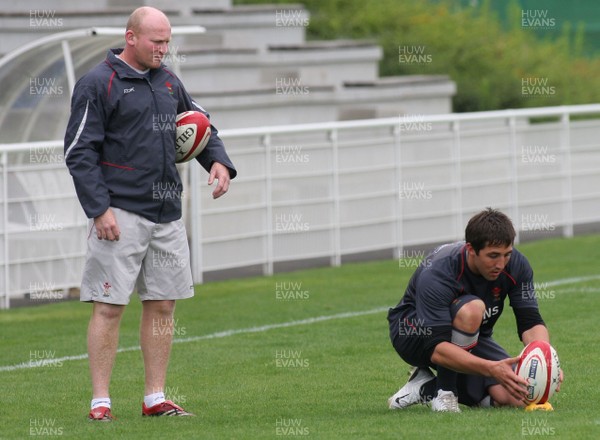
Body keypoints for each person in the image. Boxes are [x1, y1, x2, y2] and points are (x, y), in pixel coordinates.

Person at [64, 6, 236, 420]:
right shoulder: (97, 83)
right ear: (131, 37)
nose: (164, 48)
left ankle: (155, 397)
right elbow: (78, 151)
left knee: (162, 305)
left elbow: (198, 122)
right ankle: (101, 402)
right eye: (156, 41)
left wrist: (218, 161)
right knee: (109, 306)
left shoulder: (168, 80)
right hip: (119, 214)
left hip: (167, 213)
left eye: (167, 41)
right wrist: (99, 208)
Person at [387, 208, 563, 412]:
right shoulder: (439, 271)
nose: (501, 264)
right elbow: (437, 348)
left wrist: (546, 358)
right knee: (471, 309)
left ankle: (425, 387)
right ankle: (445, 393)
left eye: (507, 255)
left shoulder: (517, 265)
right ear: (471, 249)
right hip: (414, 334)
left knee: (520, 394)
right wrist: (490, 368)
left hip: (472, 337)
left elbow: (530, 321)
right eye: (493, 256)